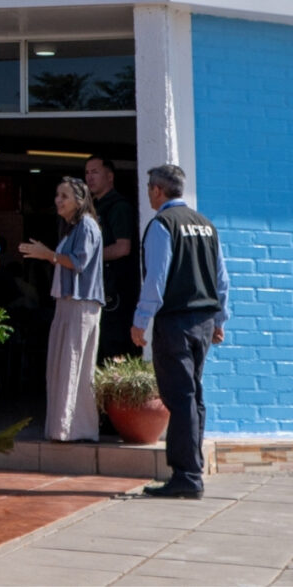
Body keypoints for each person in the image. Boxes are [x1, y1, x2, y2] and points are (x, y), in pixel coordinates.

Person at [131, 164, 229, 499]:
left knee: (181, 396)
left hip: (175, 322)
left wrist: (141, 321)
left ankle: (186, 475)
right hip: (202, 322)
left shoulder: (163, 225)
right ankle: (191, 469)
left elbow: (155, 280)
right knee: (193, 395)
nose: (148, 193)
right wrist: (219, 320)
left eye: (149, 188)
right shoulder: (206, 225)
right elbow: (221, 279)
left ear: (158, 190)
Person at [19, 177, 104, 442]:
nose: (58, 200)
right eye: (57, 195)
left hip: (81, 304)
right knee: (62, 364)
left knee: (75, 364)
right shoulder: (71, 228)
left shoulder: (87, 227)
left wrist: (48, 255)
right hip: (66, 303)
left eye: (64, 196)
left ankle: (76, 428)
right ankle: (62, 427)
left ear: (79, 200)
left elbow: (79, 262)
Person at [84, 155, 141, 360]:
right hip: (98, 288)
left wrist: (86, 259)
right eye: (87, 173)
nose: (90, 178)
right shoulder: (92, 207)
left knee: (113, 348)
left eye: (95, 172)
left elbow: (123, 247)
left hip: (116, 290)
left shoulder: (118, 207)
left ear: (110, 177)